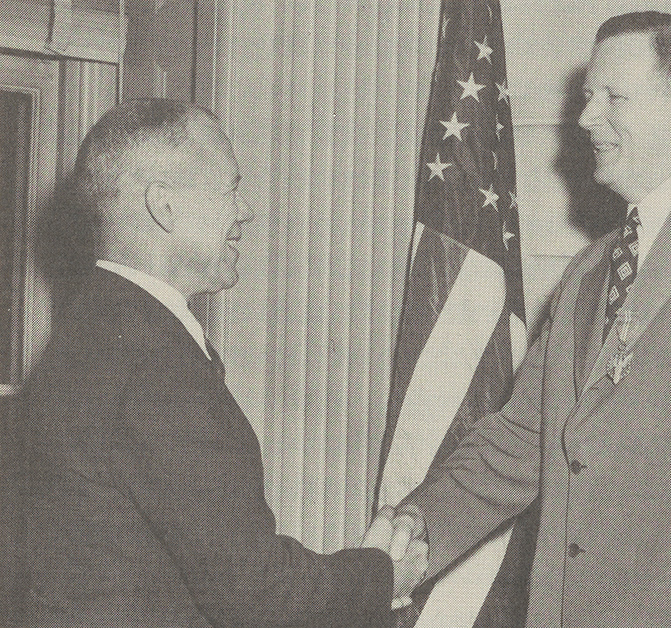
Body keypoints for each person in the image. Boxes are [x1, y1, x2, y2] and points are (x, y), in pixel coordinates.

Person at [367, 11, 671, 627]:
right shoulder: (592, 270)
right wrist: (409, 530)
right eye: (588, 96)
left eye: (611, 96)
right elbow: (521, 440)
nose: (587, 116)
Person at [23, 98, 426, 628]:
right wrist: (382, 575)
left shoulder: (96, 330)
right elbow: (254, 594)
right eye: (230, 188)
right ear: (162, 208)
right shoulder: (153, 363)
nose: (244, 211)